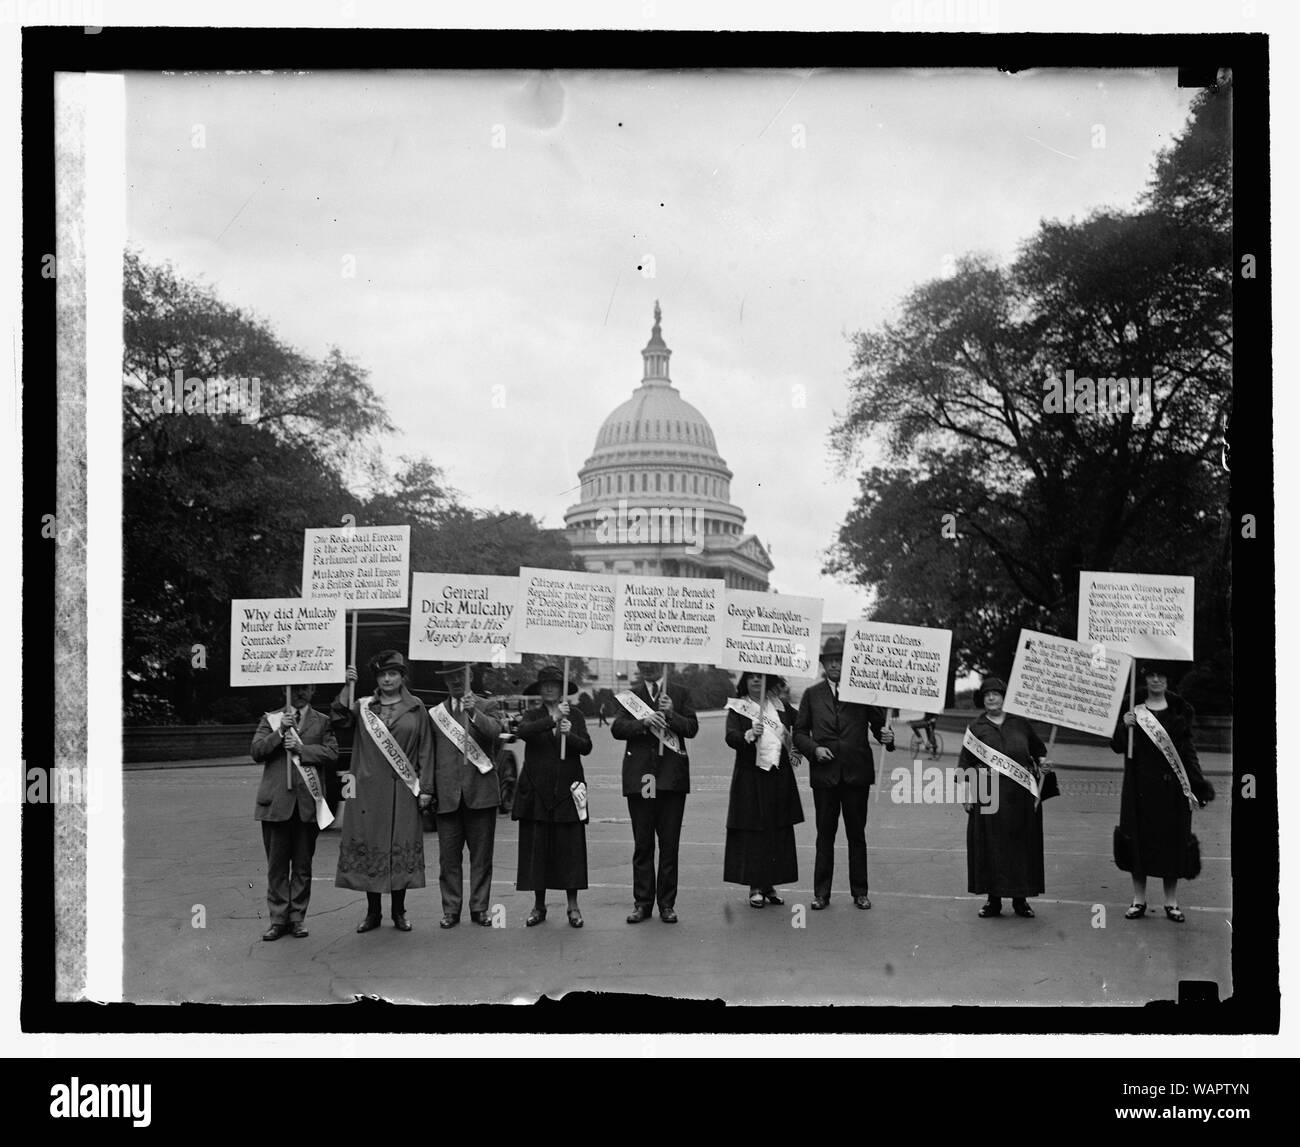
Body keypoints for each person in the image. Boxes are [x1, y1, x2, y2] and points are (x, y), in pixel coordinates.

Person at [332, 650, 433, 933]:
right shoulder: (363, 706)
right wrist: (345, 685)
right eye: (382, 674)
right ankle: (373, 912)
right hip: (367, 789)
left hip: (403, 788)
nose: (387, 679)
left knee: (399, 846)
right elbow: (338, 719)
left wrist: (426, 788)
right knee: (372, 846)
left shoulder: (416, 708)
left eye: (393, 673)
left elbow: (425, 748)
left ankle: (399, 912)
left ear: (402, 677)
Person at [794, 634, 895, 910]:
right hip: (825, 776)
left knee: (856, 835)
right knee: (824, 835)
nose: (836, 665)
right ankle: (821, 893)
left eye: (840, 660)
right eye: (831, 661)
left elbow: (879, 726)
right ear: (824, 664)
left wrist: (887, 735)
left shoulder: (862, 692)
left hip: (856, 775)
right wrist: (813, 750)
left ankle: (860, 891)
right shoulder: (811, 695)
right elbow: (799, 732)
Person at [1110, 661, 1215, 923]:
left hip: (1172, 790)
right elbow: (1116, 745)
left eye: (1162, 676)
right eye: (1152, 675)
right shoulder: (1132, 710)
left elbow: (1188, 752)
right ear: (1147, 680)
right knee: (1137, 842)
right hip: (1139, 788)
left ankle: (1171, 902)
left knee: (1173, 843)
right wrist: (1125, 725)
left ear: (1168, 681)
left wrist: (1198, 784)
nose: (1156, 680)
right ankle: (1138, 900)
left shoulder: (1179, 712)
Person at [611, 661, 699, 924]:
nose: (648, 667)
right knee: (643, 843)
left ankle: (667, 904)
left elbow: (692, 729)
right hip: (643, 779)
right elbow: (617, 729)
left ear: (663, 663)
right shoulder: (631, 696)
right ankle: (643, 902)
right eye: (643, 663)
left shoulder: (680, 694)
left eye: (653, 663)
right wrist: (644, 721)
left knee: (669, 845)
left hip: (671, 780)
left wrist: (671, 714)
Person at [250, 683, 338, 940]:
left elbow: (332, 753)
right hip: (276, 805)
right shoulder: (271, 719)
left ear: (313, 691)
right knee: (276, 867)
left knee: (302, 865)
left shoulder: (322, 722)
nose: (300, 692)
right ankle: (278, 919)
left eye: (306, 688)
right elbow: (257, 751)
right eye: (295, 688)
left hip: (307, 804)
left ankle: (298, 917)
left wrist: (303, 750)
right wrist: (280, 732)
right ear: (285, 690)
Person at [419, 662, 503, 928]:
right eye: (450, 677)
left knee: (481, 858)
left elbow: (495, 734)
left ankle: (479, 908)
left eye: (460, 675)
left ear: (469, 677)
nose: (456, 681)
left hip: (481, 794)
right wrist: (427, 790)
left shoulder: (486, 706)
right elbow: (429, 755)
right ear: (445, 682)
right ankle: (451, 909)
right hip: (447, 796)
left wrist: (474, 713)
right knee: (449, 859)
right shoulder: (435, 714)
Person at [958, 676, 1047, 919]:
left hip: (1020, 797)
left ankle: (1021, 899)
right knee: (992, 847)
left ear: (1004, 697)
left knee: (1020, 847)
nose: (991, 698)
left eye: (996, 693)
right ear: (982, 699)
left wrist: (1043, 764)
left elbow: (1039, 752)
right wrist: (967, 793)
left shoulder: (1020, 724)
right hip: (988, 796)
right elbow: (965, 764)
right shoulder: (976, 728)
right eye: (987, 694)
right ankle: (993, 900)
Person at [512, 665, 592, 928]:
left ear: (561, 690)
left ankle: (573, 906)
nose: (549, 688)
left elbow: (586, 747)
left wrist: (569, 733)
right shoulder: (532, 715)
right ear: (539, 689)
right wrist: (553, 719)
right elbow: (523, 732)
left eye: (554, 685)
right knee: (538, 849)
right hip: (537, 791)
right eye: (545, 684)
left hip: (567, 790)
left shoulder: (576, 715)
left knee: (570, 850)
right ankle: (539, 906)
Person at [723, 672, 805, 907]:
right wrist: (748, 734)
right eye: (751, 677)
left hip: (778, 777)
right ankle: (755, 886)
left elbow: (801, 727)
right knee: (754, 833)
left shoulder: (781, 707)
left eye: (760, 677)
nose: (756, 681)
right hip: (750, 778)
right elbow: (730, 737)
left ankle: (770, 884)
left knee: (776, 831)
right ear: (745, 682)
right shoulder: (739, 708)